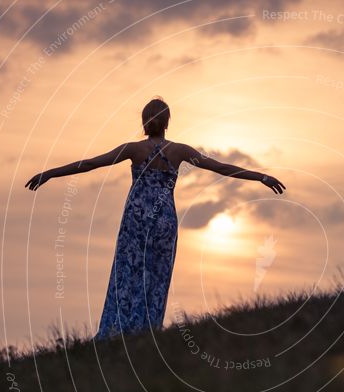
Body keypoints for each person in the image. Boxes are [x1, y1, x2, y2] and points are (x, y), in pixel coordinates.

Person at [24, 97, 286, 339]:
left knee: (126, 275)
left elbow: (90, 163)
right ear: (168, 122)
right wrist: (261, 176)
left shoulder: (133, 149)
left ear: (144, 122)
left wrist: (50, 173)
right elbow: (221, 167)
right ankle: (147, 330)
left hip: (135, 222)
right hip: (163, 223)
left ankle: (119, 332)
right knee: (157, 278)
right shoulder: (180, 151)